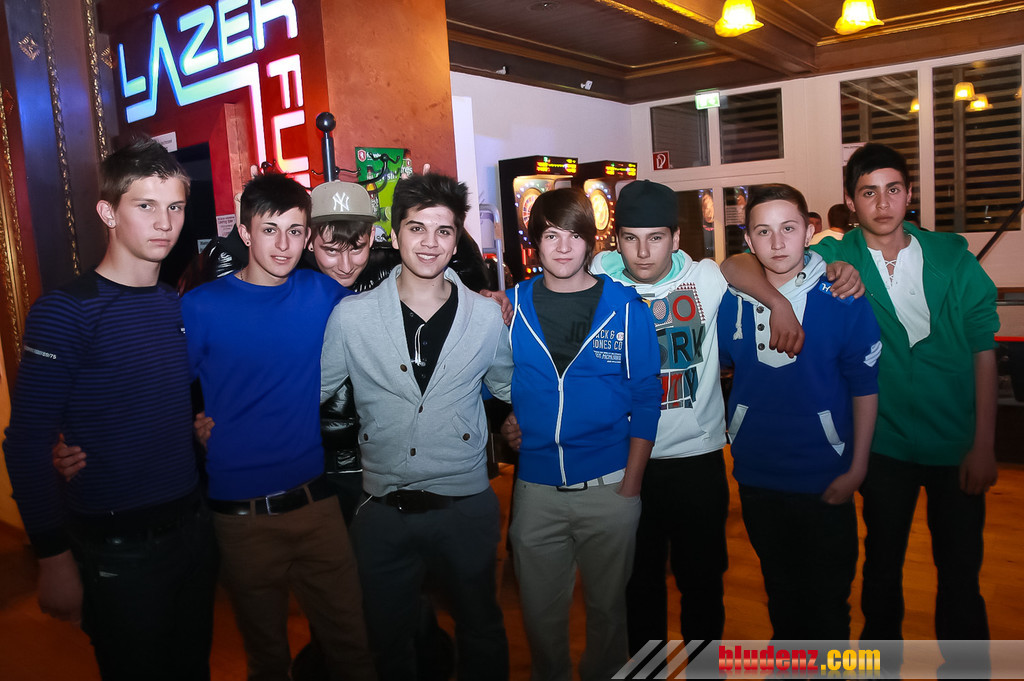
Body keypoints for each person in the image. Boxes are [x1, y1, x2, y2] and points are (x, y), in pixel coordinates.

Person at [2, 137, 219, 680]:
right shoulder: (65, 312)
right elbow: (26, 444)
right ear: (108, 212)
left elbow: (153, 398)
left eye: (175, 207)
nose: (165, 223)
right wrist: (52, 558)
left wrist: (195, 427)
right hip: (118, 547)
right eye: (145, 206)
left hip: (193, 529)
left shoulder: (175, 304)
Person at [320, 172, 513, 681]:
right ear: (395, 232)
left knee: (481, 629)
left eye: (443, 231)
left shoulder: (485, 316)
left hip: (465, 507)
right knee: (387, 642)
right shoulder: (352, 317)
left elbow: (511, 387)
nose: (430, 243)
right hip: (383, 510)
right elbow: (306, 394)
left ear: (456, 238)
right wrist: (222, 417)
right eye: (417, 228)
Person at [183, 173, 374, 681]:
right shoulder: (201, 306)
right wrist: (190, 426)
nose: (284, 245)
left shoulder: (322, 292)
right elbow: (161, 389)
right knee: (267, 660)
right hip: (240, 517)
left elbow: (394, 303)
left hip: (316, 506)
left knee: (353, 648)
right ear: (245, 232)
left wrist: (474, 291)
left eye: (295, 231)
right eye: (270, 230)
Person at [817, 144, 999, 651]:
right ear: (850, 202)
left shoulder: (952, 259)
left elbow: (984, 351)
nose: (883, 203)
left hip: (955, 444)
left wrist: (984, 445)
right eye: (868, 192)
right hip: (884, 446)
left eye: (893, 189)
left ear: (909, 193)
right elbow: (746, 264)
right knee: (881, 568)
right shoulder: (835, 257)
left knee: (961, 573)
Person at [506, 187, 662, 681]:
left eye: (575, 235)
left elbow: (646, 397)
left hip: (609, 487)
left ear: (592, 242)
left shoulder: (626, 307)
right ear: (535, 242)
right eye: (551, 235)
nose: (563, 247)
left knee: (608, 613)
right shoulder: (511, 306)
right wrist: (507, 417)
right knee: (540, 618)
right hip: (535, 491)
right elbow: (492, 377)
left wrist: (631, 486)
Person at [719, 183, 881, 640]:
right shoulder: (729, 299)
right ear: (748, 240)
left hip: (825, 479)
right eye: (763, 231)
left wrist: (858, 469)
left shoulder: (843, 296)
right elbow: (720, 363)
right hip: (757, 479)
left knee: (828, 607)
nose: (777, 242)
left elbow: (865, 387)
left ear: (809, 232)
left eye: (788, 228)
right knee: (781, 597)